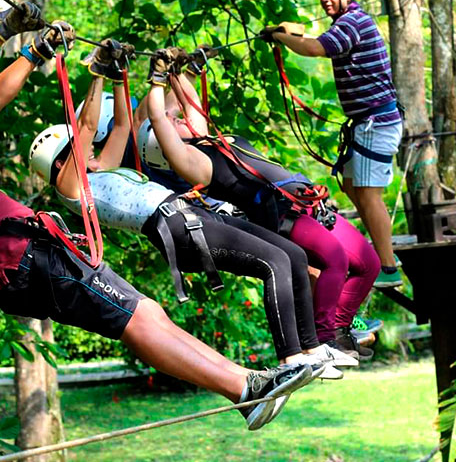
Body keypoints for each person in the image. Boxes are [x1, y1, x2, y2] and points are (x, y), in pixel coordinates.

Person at [0, 3, 312, 431]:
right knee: (134, 317)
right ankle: (243, 389)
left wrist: (31, 53)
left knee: (145, 311)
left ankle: (246, 385)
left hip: (28, 252)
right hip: (17, 256)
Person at [28, 41, 357, 380]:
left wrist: (116, 73)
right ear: (62, 161)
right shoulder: (72, 189)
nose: (92, 149)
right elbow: (85, 127)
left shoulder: (101, 170)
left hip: (189, 215)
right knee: (274, 263)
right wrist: (96, 75)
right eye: (79, 149)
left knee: (292, 255)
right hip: (175, 227)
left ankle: (313, 349)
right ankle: (292, 359)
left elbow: (124, 126)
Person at [142, 48, 379, 360]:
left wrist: (183, 69)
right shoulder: (193, 162)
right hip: (280, 214)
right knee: (334, 259)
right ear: (164, 144)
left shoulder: (207, 139)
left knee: (369, 263)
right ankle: (327, 338)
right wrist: (158, 80)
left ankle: (342, 327)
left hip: (308, 203)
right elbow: (158, 116)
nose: (176, 117)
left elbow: (189, 103)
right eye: (173, 122)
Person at [262, 0, 403, 288]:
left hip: (375, 123)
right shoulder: (345, 23)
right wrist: (286, 30)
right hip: (366, 124)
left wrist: (281, 37)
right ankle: (381, 253)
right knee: (354, 188)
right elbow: (314, 38)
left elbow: (316, 48)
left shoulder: (353, 22)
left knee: (368, 195)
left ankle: (389, 267)